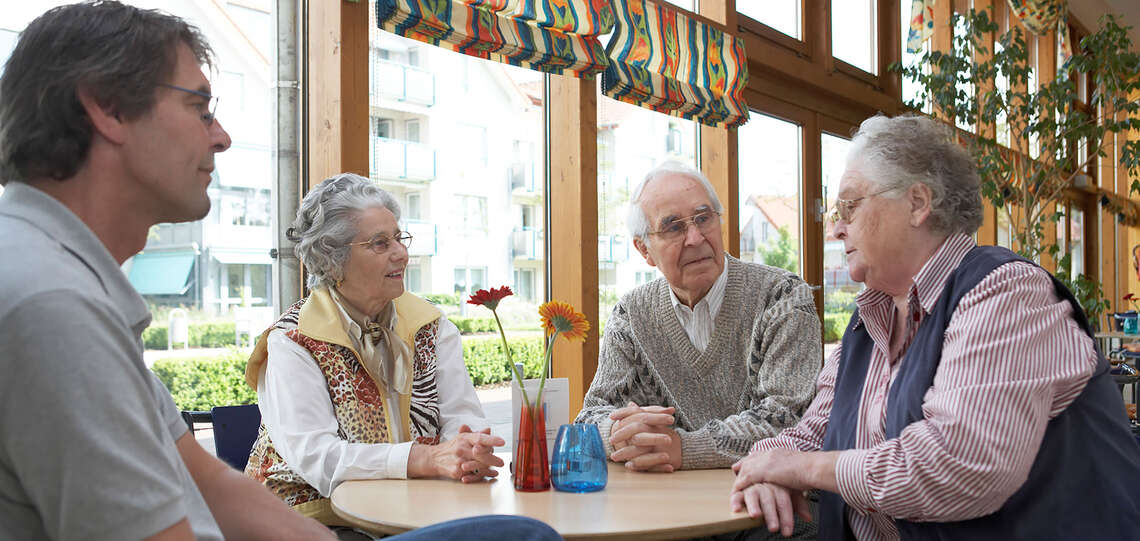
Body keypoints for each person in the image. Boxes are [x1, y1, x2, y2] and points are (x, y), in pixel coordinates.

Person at [0, 3, 559, 540]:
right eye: (200, 106)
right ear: (108, 109)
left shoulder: (59, 280)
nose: (221, 136)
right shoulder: (52, 305)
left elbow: (206, 479)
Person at [731, 113, 1140, 540]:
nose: (835, 228)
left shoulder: (1006, 293)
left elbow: (958, 465)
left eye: (849, 206)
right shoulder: (871, 316)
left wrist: (801, 470)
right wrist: (768, 464)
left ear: (918, 203)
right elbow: (813, 431)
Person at [243, 173, 504, 525]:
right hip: (307, 521)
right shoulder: (293, 339)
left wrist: (469, 448)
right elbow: (320, 460)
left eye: (399, 238)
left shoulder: (430, 324)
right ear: (331, 258)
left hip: (416, 509)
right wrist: (423, 459)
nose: (401, 253)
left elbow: (461, 415)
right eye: (380, 244)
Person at [575, 161, 821, 472]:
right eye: (674, 227)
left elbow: (788, 421)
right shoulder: (631, 315)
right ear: (644, 250)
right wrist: (618, 435)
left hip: (770, 510)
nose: (695, 238)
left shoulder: (783, 297)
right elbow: (591, 415)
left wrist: (682, 447)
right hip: (668, 508)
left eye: (703, 219)